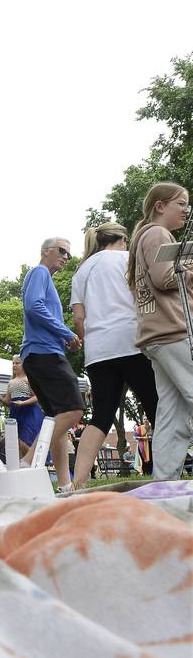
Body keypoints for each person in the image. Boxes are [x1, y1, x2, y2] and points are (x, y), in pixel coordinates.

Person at [69, 222, 158, 487]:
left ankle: (78, 482)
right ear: (122, 239)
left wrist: (90, 339)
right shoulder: (129, 259)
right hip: (132, 341)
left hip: (98, 350)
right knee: (155, 406)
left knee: (102, 415)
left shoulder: (81, 271)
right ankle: (165, 473)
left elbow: (78, 318)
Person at [128, 182, 193, 481]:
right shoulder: (157, 234)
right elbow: (165, 277)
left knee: (172, 414)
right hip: (174, 330)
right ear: (160, 206)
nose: (186, 209)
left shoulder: (144, 236)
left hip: (156, 334)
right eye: (180, 203)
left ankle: (163, 485)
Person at [20, 237, 84, 491]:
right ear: (45, 251)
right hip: (44, 353)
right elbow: (34, 306)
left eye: (69, 254)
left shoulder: (42, 277)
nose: (66, 257)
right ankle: (28, 461)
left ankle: (65, 485)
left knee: (56, 418)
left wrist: (62, 337)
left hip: (39, 353)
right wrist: (67, 333)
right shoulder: (39, 272)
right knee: (73, 410)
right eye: (62, 251)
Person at [0, 355, 45, 455]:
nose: (14, 365)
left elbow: (36, 397)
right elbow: (8, 402)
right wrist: (0, 398)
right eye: (13, 363)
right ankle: (27, 463)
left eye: (17, 363)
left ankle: (33, 462)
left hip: (29, 413)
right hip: (16, 413)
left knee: (27, 439)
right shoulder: (11, 382)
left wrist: (23, 403)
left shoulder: (28, 379)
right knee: (17, 441)